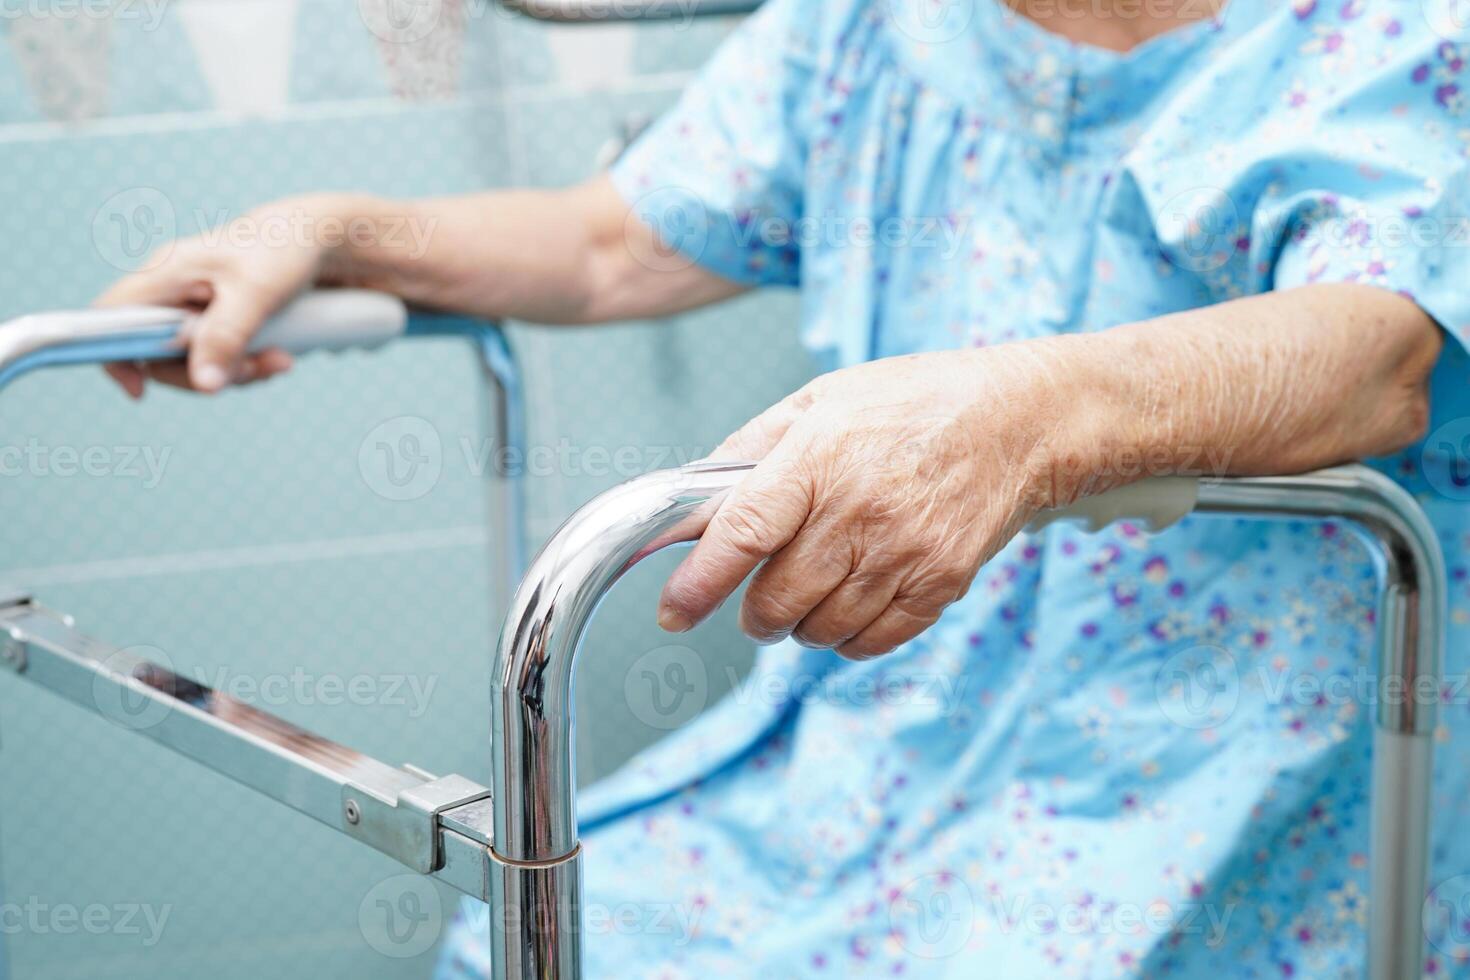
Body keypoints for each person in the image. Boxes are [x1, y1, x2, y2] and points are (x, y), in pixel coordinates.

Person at [99, 0, 1470, 974]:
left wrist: (1017, 416)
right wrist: (331, 231)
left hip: (1229, 767)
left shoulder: (1388, 35)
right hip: (889, 743)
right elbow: (609, 246)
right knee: (560, 933)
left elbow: (1370, 355)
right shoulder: (874, 27)